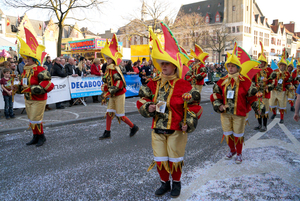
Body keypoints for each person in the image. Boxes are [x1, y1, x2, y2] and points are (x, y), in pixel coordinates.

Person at [137, 23, 203, 198]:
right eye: (162, 64)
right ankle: (165, 184)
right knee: (160, 159)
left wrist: (188, 123)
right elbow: (142, 99)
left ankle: (177, 184)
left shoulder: (183, 85)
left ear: (175, 66)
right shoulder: (153, 83)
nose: (164, 66)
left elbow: (195, 106)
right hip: (157, 128)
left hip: (176, 130)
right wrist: (147, 107)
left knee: (175, 160)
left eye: (168, 64)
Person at [210, 43, 263, 164]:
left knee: (238, 134)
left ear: (238, 68)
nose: (231, 68)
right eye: (229, 66)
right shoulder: (222, 81)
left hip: (239, 112)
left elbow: (252, 97)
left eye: (233, 66)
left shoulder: (246, 82)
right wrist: (219, 106)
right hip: (225, 113)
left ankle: (239, 153)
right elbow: (215, 95)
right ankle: (232, 150)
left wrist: (258, 109)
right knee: (227, 133)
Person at [14, 27, 54, 147]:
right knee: (31, 119)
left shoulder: (40, 70)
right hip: (28, 98)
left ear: (33, 58)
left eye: (27, 57)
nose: (25, 59)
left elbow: (48, 86)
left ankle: (41, 136)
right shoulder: (25, 71)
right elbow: (24, 85)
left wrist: (29, 89)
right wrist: (17, 89)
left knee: (36, 118)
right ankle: (35, 136)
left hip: (39, 99)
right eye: (24, 57)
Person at [99, 34, 139, 140]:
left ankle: (133, 127)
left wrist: (108, 92)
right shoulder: (108, 69)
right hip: (113, 95)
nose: (107, 59)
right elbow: (107, 82)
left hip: (119, 95)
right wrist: (104, 89)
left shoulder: (116, 69)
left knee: (120, 115)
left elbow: (119, 84)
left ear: (113, 58)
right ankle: (107, 132)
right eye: (106, 57)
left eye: (109, 58)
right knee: (109, 113)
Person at [252, 42, 277, 131]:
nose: (261, 63)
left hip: (265, 95)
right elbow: (253, 81)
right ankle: (259, 124)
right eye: (260, 62)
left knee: (264, 110)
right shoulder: (255, 70)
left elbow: (273, 82)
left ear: (265, 62)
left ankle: (265, 126)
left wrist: (268, 87)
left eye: (262, 62)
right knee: (257, 109)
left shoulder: (269, 70)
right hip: (257, 94)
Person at [269, 49, 294, 123]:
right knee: (272, 104)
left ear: (285, 66)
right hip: (274, 91)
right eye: (281, 65)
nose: (282, 66)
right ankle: (273, 113)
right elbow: (270, 79)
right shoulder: (275, 71)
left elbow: (288, 83)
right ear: (279, 65)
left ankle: (282, 118)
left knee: (282, 105)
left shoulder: (287, 74)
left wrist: (290, 87)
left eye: (283, 65)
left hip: (282, 92)